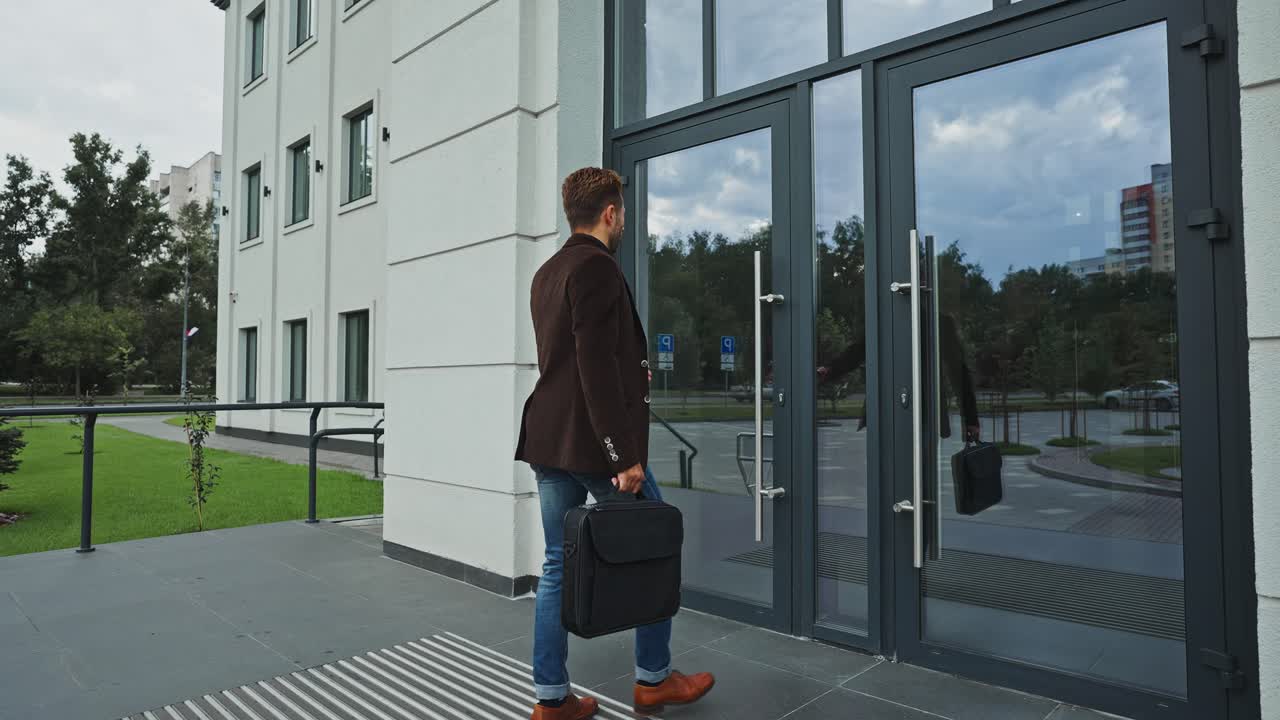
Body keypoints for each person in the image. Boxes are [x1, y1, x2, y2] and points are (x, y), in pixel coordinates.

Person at [515, 168, 715, 720]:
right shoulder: (597, 269)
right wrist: (621, 455)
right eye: (622, 210)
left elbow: (573, 361)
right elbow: (593, 365)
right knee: (654, 543)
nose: (624, 218)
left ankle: (551, 700)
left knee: (557, 563)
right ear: (610, 213)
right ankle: (654, 680)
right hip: (592, 444)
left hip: (547, 437)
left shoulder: (548, 272)